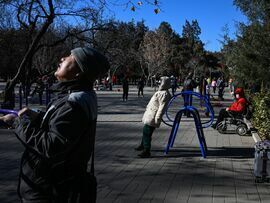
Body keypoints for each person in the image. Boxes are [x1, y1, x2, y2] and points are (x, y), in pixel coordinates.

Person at [0, 47, 110, 202]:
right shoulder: (80, 96)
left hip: (49, 190)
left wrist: (17, 122)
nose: (62, 58)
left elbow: (52, 146)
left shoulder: (73, 103)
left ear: (79, 72)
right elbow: (67, 131)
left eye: (70, 57)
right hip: (55, 185)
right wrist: (39, 118)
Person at [135, 76, 171, 158]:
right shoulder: (161, 92)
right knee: (146, 131)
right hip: (150, 114)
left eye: (160, 82)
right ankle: (143, 145)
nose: (159, 83)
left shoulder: (163, 94)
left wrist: (157, 118)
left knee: (147, 131)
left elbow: (162, 108)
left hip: (153, 116)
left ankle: (146, 150)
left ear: (164, 84)